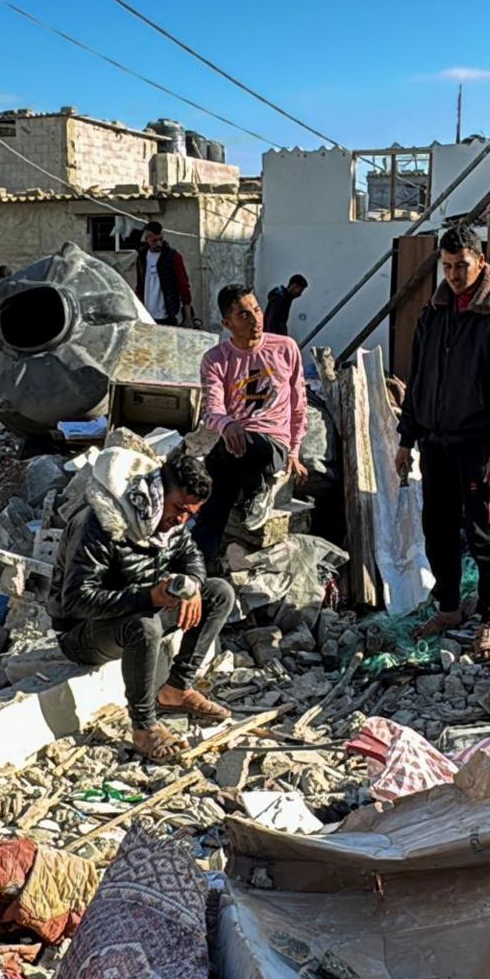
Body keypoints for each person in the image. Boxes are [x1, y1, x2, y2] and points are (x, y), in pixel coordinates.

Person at [395, 223, 490, 659]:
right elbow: (418, 379)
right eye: (448, 266)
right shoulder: (435, 310)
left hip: (480, 445)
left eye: (463, 266)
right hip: (436, 441)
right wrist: (406, 437)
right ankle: (450, 608)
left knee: (484, 531)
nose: (454, 275)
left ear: (482, 262)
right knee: (437, 529)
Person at [51, 446, 236, 763]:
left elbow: (192, 559)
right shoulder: (96, 523)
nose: (180, 519)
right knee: (144, 625)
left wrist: (190, 586)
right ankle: (144, 726)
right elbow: (76, 601)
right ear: (157, 491)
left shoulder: (168, 523)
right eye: (178, 508)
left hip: (138, 613)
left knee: (219, 592)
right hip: (82, 633)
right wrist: (147, 597)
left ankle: (177, 688)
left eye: (189, 515)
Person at [196, 284, 306, 574]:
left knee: (233, 459)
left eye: (256, 310)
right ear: (227, 323)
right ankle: (200, 566)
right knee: (218, 487)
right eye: (244, 315)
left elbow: (298, 404)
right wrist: (227, 423)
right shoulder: (216, 359)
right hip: (236, 442)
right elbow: (212, 408)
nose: (256, 319)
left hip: (272, 446)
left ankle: (259, 488)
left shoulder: (285, 348)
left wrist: (294, 451)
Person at [129, 221, 194, 327]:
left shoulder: (173, 257)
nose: (159, 243)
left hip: (168, 316)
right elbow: (140, 287)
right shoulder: (142, 258)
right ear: (147, 239)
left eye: (161, 239)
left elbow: (183, 286)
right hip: (147, 316)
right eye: (154, 240)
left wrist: (188, 318)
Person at [264, 272, 308, 337]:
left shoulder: (285, 298)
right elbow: (272, 321)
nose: (300, 294)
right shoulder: (279, 299)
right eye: (300, 290)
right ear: (294, 286)